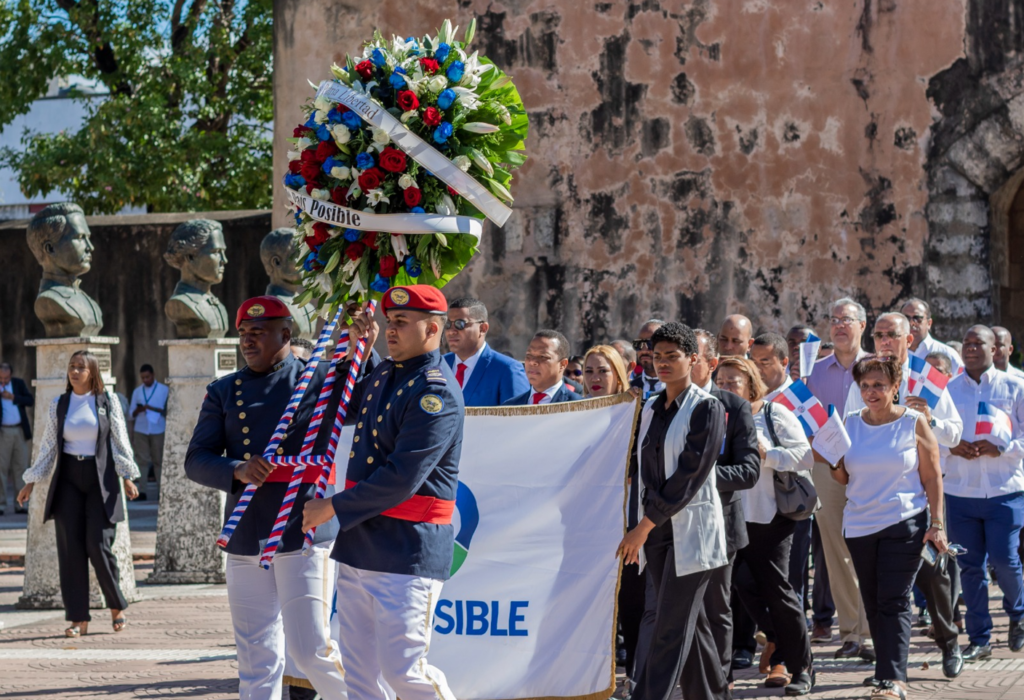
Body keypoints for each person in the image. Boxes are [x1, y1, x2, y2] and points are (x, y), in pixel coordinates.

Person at [185, 296, 351, 700]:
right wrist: (238, 470)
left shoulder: (321, 379)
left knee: (311, 651)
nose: (247, 340)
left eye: (258, 332)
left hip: (301, 529)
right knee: (255, 658)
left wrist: (361, 336)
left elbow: (368, 384)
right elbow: (196, 460)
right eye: (243, 333)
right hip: (245, 534)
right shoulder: (224, 390)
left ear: (286, 334)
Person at [301, 285, 462, 700]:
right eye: (390, 321)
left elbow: (400, 478)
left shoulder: (435, 390)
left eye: (402, 323)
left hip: (405, 550)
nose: (391, 329)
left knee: (405, 672)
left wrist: (332, 507)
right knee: (360, 676)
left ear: (432, 329)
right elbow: (346, 405)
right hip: (361, 547)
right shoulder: (386, 372)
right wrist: (359, 347)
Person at [843, 313, 964, 677]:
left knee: (932, 577)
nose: (883, 341)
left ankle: (949, 640)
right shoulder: (865, 374)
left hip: (921, 496)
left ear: (908, 339)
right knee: (888, 594)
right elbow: (854, 427)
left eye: (891, 335)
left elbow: (954, 435)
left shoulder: (928, 378)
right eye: (878, 335)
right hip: (875, 499)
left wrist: (930, 420)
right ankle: (889, 666)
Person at [615, 322, 730, 700]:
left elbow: (689, 475)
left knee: (668, 628)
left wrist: (643, 526)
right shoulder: (650, 407)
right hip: (657, 532)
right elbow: (643, 470)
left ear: (693, 359)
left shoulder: (708, 408)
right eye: (657, 356)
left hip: (689, 532)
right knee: (689, 629)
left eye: (672, 356)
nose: (662, 363)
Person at [829, 356, 947, 699]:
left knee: (894, 600)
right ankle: (885, 670)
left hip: (905, 522)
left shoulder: (914, 422)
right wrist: (833, 461)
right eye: (865, 386)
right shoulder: (849, 423)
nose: (871, 392)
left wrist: (936, 523)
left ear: (896, 387)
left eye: (879, 385)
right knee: (873, 600)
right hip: (859, 525)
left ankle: (894, 679)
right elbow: (844, 477)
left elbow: (932, 476)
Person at [17, 350, 139, 637]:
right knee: (71, 550)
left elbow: (120, 442)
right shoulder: (59, 404)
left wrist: (128, 476)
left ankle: (116, 607)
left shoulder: (108, 402)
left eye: (80, 367)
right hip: (69, 480)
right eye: (71, 366)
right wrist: (31, 481)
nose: (74, 372)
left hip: (101, 481)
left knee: (98, 545)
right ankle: (77, 619)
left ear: (92, 372)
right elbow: (48, 447)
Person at [716, 357, 815, 694]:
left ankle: (802, 668)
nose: (726, 387)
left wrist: (768, 454)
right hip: (730, 518)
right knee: (740, 587)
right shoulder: (716, 416)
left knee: (780, 594)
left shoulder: (773, 413)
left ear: (751, 383)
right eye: (722, 381)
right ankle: (775, 640)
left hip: (771, 518)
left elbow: (805, 455)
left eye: (734, 381)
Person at [676, 329, 760, 700]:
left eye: (693, 356)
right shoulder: (661, 405)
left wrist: (698, 477)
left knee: (714, 608)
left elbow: (748, 471)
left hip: (719, 527)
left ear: (708, 362)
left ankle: (719, 682)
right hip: (671, 525)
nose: (686, 362)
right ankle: (687, 678)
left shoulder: (734, 406)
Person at [944, 325, 1024, 661]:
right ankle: (980, 638)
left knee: (1006, 560)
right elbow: (932, 433)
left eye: (979, 343)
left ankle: (1018, 613)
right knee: (969, 567)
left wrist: (1001, 450)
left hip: (1005, 490)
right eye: (967, 343)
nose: (971, 348)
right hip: (960, 492)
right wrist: (953, 447)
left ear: (997, 349)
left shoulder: (1016, 387)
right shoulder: (947, 390)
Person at [804, 297, 874, 661]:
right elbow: (804, 422)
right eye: (833, 319)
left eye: (847, 319)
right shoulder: (814, 373)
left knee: (870, 548)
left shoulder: (877, 368)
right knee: (835, 551)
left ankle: (872, 631)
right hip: (826, 469)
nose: (839, 325)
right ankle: (851, 633)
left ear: (863, 325)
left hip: (870, 469)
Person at [443, 297, 529, 406]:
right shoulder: (439, 365)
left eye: (460, 324)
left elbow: (519, 419)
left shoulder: (507, 369)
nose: (451, 331)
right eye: (447, 324)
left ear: (483, 328)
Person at [504, 330, 583, 405]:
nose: (532, 362)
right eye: (529, 355)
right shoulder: (509, 408)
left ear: (562, 364)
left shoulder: (579, 407)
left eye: (542, 356)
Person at [128, 364, 168, 501]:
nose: (145, 380)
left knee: (158, 461)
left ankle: (161, 491)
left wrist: (151, 408)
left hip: (158, 428)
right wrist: (139, 410)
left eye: (147, 377)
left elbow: (168, 411)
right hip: (141, 428)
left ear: (153, 375)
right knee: (142, 461)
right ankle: (142, 491)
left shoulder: (164, 389)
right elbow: (130, 413)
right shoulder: (137, 391)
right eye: (143, 378)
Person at [0, 362, 33, 515]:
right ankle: (1, 504)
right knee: (1, 469)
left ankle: (20, 504)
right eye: (0, 378)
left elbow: (30, 400)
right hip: (3, 433)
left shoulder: (18, 384)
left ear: (10, 376)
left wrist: (13, 397)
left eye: (6, 378)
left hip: (19, 430)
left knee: (21, 468)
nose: (3, 381)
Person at [901, 298, 964, 374]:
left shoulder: (947, 354)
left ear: (929, 323)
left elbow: (962, 382)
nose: (911, 323)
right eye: (906, 318)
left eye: (917, 318)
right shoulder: (891, 353)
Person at [630, 320, 664, 398]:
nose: (644, 350)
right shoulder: (628, 389)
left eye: (651, 344)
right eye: (639, 344)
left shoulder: (679, 390)